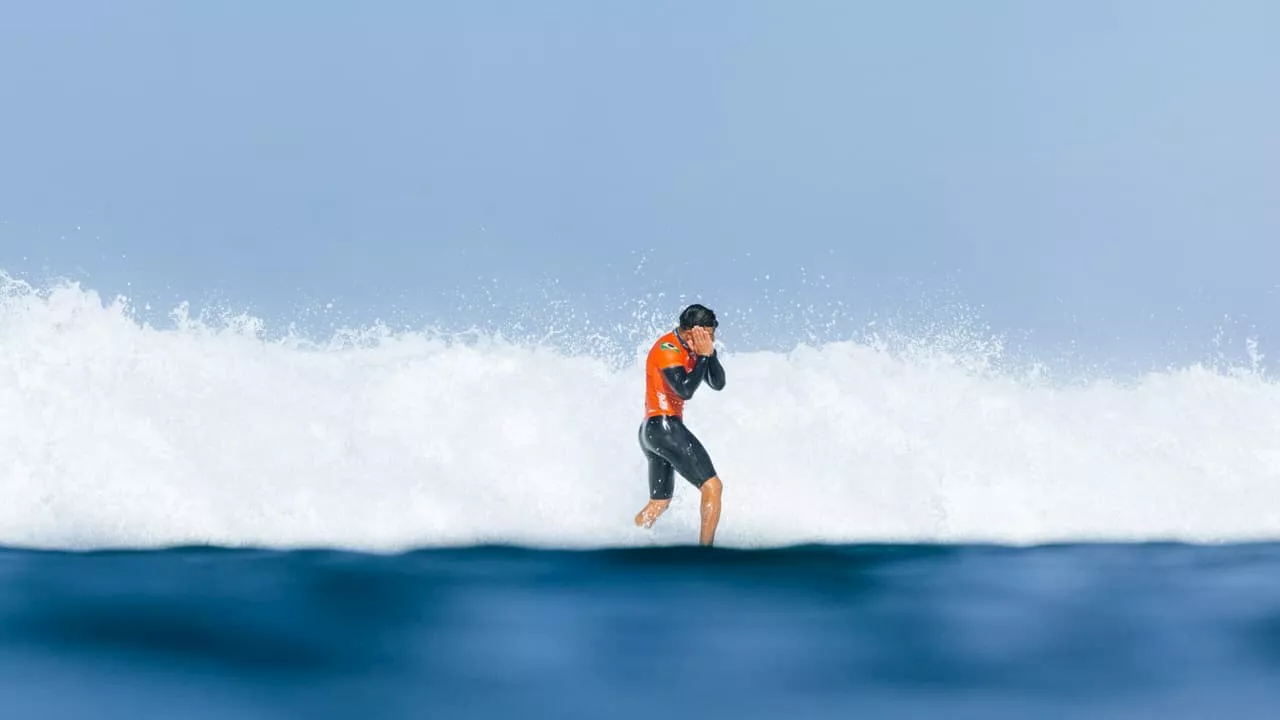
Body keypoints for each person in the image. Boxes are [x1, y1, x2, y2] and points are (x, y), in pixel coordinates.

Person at [634, 303, 727, 546]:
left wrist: (709, 355)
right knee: (712, 486)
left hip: (652, 432)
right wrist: (703, 357)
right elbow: (685, 390)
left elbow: (718, 383)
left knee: (659, 502)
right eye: (708, 335)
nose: (711, 340)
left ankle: (629, 539)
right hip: (663, 427)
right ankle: (705, 556)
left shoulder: (692, 349)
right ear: (691, 332)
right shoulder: (668, 348)